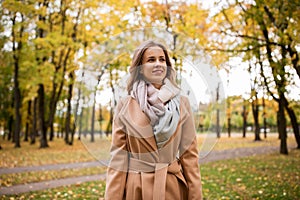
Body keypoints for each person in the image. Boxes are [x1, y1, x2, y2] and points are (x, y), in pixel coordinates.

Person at [105, 40, 202, 200]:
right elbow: (118, 159)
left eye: (162, 59)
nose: (158, 64)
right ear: (141, 68)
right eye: (151, 60)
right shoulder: (125, 104)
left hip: (172, 188)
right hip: (137, 189)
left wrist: (195, 196)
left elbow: (190, 157)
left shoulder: (182, 103)